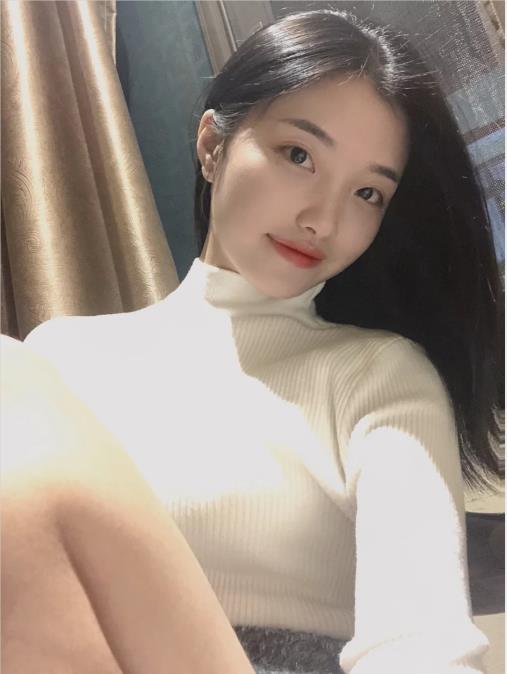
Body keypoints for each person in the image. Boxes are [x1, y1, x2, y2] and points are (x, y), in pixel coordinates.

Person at [10, 7, 504, 674]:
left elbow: (420, 640)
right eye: (298, 155)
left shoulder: (375, 373)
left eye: (367, 193)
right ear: (212, 146)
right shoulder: (63, 360)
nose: (322, 219)